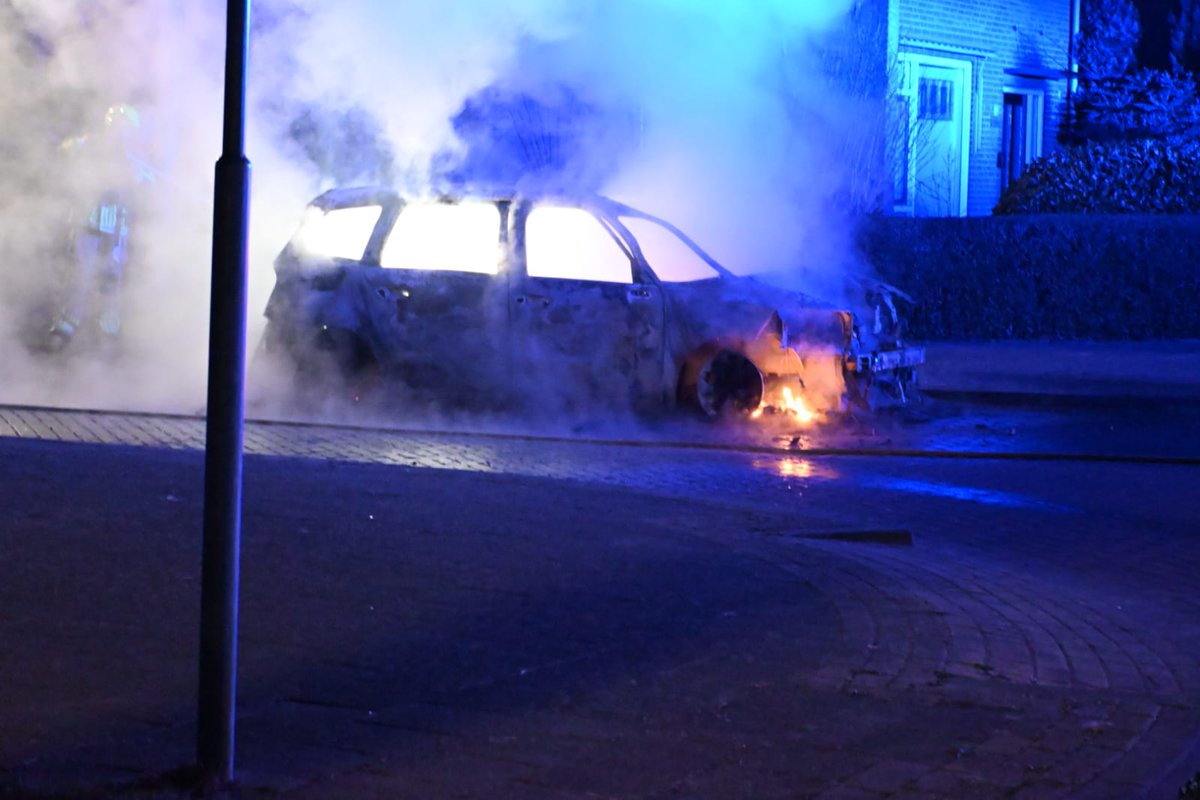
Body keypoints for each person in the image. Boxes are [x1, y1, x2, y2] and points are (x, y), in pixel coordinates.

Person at [48, 102, 154, 351]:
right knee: (80, 276)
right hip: (90, 222)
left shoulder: (135, 156)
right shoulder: (89, 143)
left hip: (117, 227)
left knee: (112, 279)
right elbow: (67, 153)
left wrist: (142, 173)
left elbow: (145, 183)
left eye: (127, 128)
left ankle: (108, 332)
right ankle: (66, 327)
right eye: (120, 127)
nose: (123, 132)